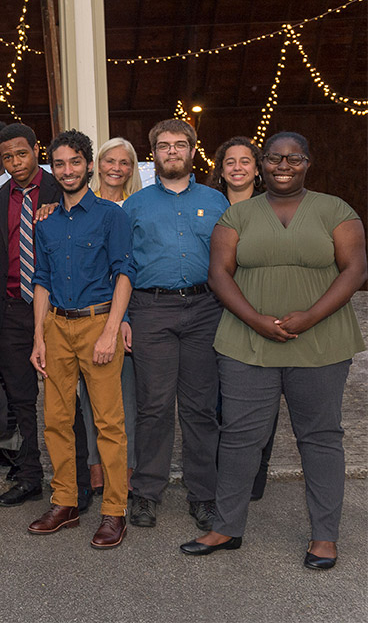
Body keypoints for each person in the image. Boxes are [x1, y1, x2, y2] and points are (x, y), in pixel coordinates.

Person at [181, 132, 366, 570]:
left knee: (320, 438)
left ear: (308, 162)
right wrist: (256, 320)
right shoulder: (238, 216)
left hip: (320, 341)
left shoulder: (335, 210)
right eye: (275, 158)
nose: (284, 165)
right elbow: (219, 275)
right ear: (262, 164)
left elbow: (356, 269)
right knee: (241, 437)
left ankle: (324, 537)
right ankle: (226, 527)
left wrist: (310, 316)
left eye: (294, 158)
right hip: (247, 342)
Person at [28, 130, 134, 549]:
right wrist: (38, 335)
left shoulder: (111, 216)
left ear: (89, 165)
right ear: (52, 170)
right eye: (59, 164)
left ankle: (114, 511)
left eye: (75, 162)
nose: (67, 170)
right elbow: (42, 280)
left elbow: (125, 272)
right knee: (55, 420)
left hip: (97, 323)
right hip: (56, 325)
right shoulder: (47, 220)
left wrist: (111, 330)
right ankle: (66, 503)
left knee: (108, 422)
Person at [122, 121, 228, 533]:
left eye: (179, 145)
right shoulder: (135, 205)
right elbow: (124, 267)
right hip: (151, 309)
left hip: (206, 309)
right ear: (154, 154)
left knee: (201, 408)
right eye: (163, 146)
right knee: (154, 406)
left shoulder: (217, 202)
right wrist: (125, 318)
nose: (171, 152)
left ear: (192, 151)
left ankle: (203, 496)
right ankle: (147, 493)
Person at [0, 122, 92, 510]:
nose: (14, 162)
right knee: (22, 400)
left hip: (59, 309)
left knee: (66, 400)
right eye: (7, 156)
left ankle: (78, 482)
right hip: (13, 311)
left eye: (21, 153)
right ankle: (30, 475)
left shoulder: (60, 189)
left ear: (36, 150)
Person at [208, 136, 276, 501]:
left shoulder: (275, 206)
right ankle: (222, 477)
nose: (237, 167)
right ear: (220, 170)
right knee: (221, 396)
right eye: (229, 161)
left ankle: (254, 479)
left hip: (263, 309)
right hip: (214, 309)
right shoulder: (209, 206)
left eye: (244, 161)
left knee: (263, 394)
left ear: (257, 167)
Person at [78, 137, 142, 496]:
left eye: (125, 162)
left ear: (132, 169)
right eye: (109, 161)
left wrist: (123, 318)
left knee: (125, 399)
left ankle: (126, 471)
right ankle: (95, 468)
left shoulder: (137, 206)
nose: (116, 168)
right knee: (90, 399)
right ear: (96, 165)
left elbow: (129, 267)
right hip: (88, 311)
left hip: (127, 312)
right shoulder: (80, 205)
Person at [208, 136, 265, 205]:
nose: (237, 168)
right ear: (222, 171)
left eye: (245, 162)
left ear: (256, 169)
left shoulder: (269, 206)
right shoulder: (209, 205)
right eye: (230, 163)